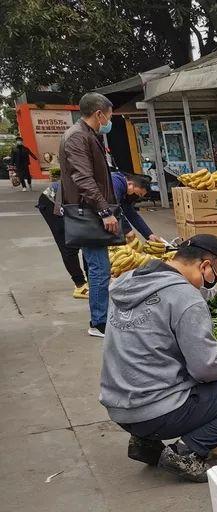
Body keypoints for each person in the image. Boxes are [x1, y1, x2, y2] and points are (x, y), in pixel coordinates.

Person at [99, 234, 217, 483]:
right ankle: (186, 452)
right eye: (216, 277)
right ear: (205, 266)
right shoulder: (185, 297)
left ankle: (145, 443)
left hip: (119, 407)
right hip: (155, 409)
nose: (214, 286)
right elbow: (205, 368)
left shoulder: (129, 281)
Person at [57, 92, 118, 338]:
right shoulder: (77, 137)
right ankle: (99, 322)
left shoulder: (87, 135)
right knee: (99, 267)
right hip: (87, 211)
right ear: (99, 114)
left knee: (98, 266)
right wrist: (104, 211)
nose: (109, 121)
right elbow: (83, 178)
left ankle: (101, 317)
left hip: (89, 208)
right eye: (109, 116)